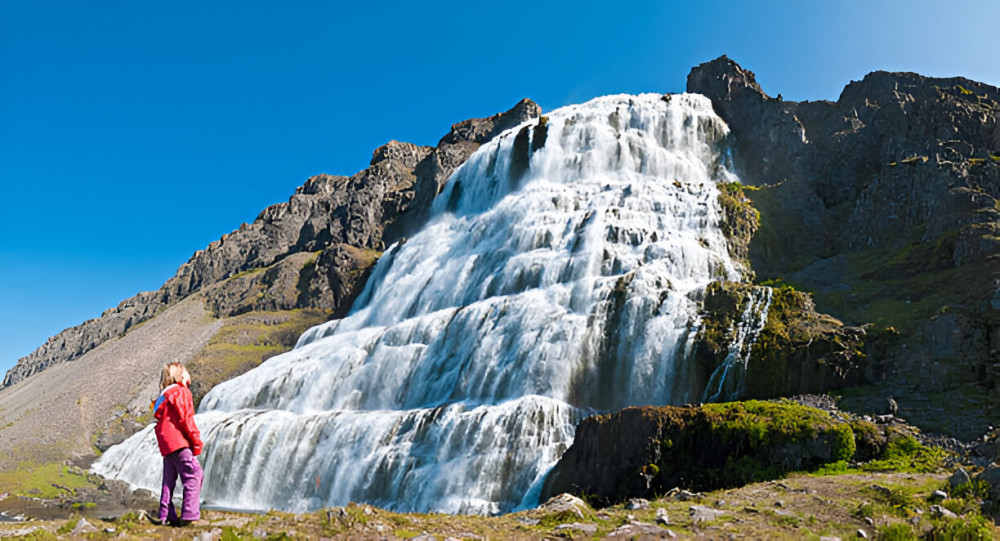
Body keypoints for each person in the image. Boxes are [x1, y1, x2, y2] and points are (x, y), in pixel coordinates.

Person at [151, 362, 204, 526]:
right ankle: (189, 515)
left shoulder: (164, 397)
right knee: (194, 474)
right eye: (187, 372)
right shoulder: (182, 392)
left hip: (167, 445)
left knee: (169, 480)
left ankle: (165, 515)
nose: (189, 375)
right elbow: (186, 419)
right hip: (179, 441)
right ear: (180, 376)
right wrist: (195, 441)